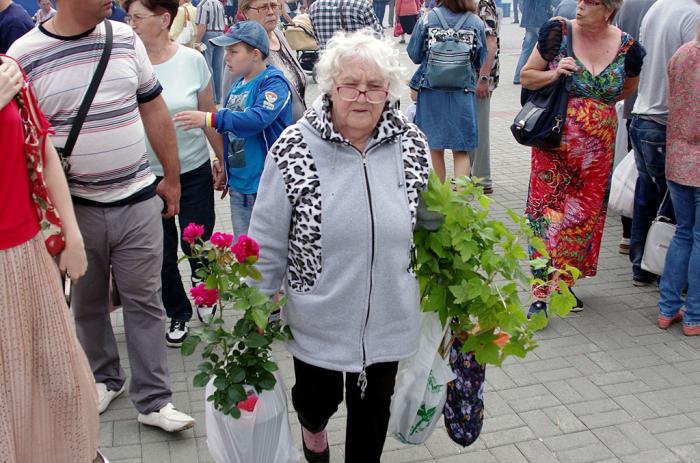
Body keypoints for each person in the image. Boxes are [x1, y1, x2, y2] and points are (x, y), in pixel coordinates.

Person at [8, 0, 196, 432]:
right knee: (89, 304)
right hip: (77, 211)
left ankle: (154, 401)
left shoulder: (124, 37)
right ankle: (103, 378)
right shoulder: (24, 55)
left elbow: (152, 106)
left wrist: (171, 177)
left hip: (137, 199)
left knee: (145, 302)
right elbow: (23, 145)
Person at [246, 30, 431, 463]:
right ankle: (313, 434)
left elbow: (431, 219)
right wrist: (258, 300)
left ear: (390, 91)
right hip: (320, 314)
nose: (362, 97)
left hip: (388, 312)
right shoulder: (294, 146)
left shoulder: (411, 144)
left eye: (375, 87)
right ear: (331, 85)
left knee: (372, 415)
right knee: (315, 402)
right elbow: (267, 236)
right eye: (350, 85)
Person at [0, 55, 105, 463]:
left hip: (28, 255)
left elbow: (43, 150)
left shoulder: (8, 68)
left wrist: (73, 236)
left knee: (62, 381)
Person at [520, 0, 644, 317]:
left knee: (581, 219)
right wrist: (555, 75)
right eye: (580, 0)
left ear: (608, 9)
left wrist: (594, 111)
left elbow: (625, 89)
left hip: (597, 155)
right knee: (544, 213)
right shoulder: (558, 32)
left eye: (591, 2)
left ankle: (563, 285)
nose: (581, 6)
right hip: (552, 145)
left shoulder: (629, 48)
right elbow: (528, 76)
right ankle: (539, 293)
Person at [125, 0, 225, 346]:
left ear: (163, 18)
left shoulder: (192, 60)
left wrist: (221, 159)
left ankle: (205, 293)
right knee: (162, 251)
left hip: (194, 169)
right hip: (147, 177)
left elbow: (208, 113)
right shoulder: (126, 64)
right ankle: (177, 312)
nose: (131, 23)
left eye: (138, 16)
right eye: (129, 16)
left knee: (197, 241)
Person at [174, 21, 292, 238]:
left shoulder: (274, 83)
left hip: (264, 187)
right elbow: (232, 134)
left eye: (233, 51)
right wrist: (224, 164)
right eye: (226, 51)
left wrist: (209, 118)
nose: (226, 57)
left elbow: (256, 119)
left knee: (269, 252)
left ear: (255, 54)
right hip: (240, 187)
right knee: (244, 255)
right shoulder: (237, 86)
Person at [628, 0, 700, 287]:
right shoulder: (692, 14)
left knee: (646, 198)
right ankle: (666, 275)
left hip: (643, 114)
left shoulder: (659, 5)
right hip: (665, 123)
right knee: (672, 212)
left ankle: (640, 267)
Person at [407, 0, 486, 183]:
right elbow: (480, 59)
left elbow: (414, 54)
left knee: (435, 147)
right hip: (463, 91)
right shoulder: (475, 22)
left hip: (431, 91)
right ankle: (460, 201)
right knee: (461, 150)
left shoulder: (427, 19)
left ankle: (440, 200)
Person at [656, 25, 700, 336]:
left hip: (677, 157)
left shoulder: (681, 55)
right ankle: (694, 315)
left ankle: (667, 307)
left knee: (683, 233)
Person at [613, 0, 656, 255]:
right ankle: (647, 251)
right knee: (648, 184)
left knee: (637, 178)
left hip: (635, 105)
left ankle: (629, 237)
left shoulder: (629, 4)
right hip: (656, 109)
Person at [237, 0, 307, 121]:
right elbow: (234, 108)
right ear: (245, 12)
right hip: (269, 136)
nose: (270, 12)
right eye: (263, 7)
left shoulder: (279, 35)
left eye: (274, 6)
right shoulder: (241, 48)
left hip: (296, 133)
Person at [471, 0, 499, 194]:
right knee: (473, 127)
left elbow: (490, 43)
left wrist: (483, 77)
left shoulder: (483, 4)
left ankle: (482, 179)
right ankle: (473, 176)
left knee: (479, 129)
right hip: (475, 78)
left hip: (480, 78)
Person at [308, 0, 383, 50]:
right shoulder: (361, 5)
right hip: (357, 62)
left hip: (327, 63)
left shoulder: (314, 6)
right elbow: (378, 35)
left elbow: (316, 38)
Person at [513, 0, 553, 85]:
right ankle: (550, 73)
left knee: (526, 50)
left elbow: (521, 5)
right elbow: (540, 6)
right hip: (539, 21)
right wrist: (546, 22)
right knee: (547, 47)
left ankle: (517, 77)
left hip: (528, 21)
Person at [195, 0, 226, 103]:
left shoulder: (203, 4)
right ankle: (218, 97)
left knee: (208, 68)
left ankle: (211, 98)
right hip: (221, 34)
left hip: (208, 35)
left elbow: (202, 26)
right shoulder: (219, 4)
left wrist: (196, 42)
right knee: (218, 68)